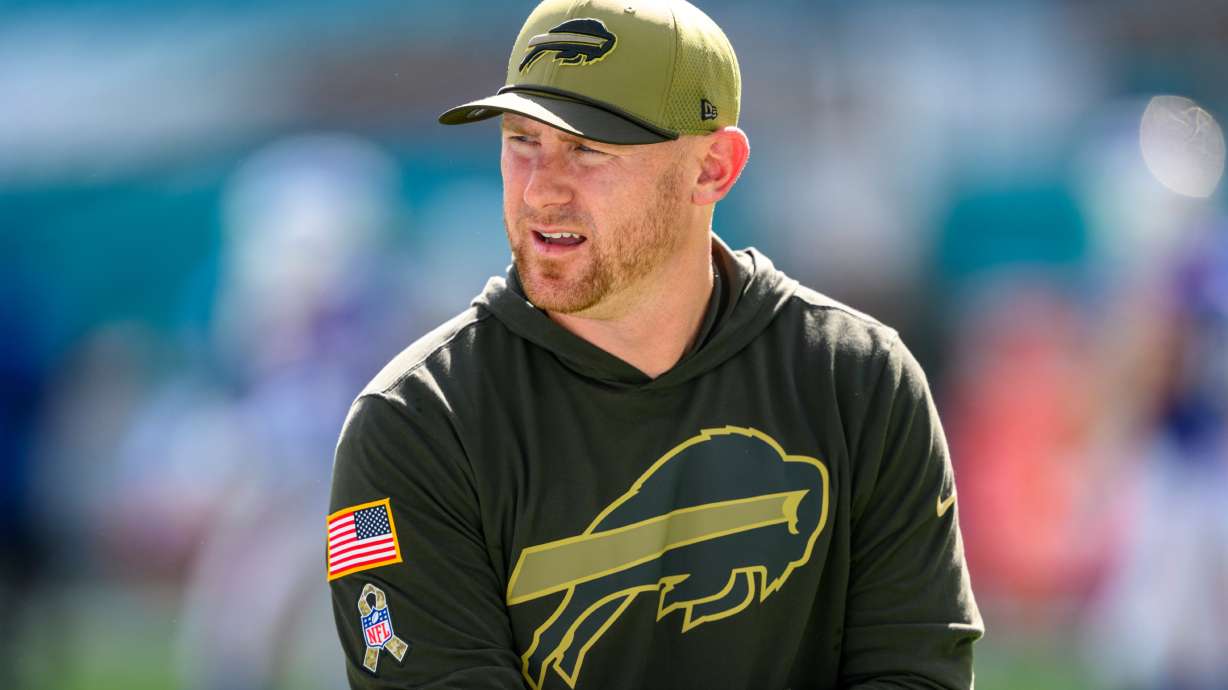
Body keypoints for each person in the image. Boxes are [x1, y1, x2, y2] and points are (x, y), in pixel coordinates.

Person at [327, 0, 983, 688]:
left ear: (712, 168)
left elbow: (916, 670)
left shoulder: (862, 382)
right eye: (522, 141)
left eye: (589, 148)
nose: (541, 190)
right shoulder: (413, 424)